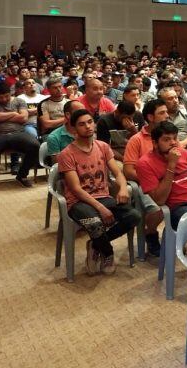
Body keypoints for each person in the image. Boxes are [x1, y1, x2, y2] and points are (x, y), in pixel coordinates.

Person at [58, 109, 141, 275]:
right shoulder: (66, 154)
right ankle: (108, 251)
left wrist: (123, 188)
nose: (88, 127)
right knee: (95, 223)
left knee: (134, 216)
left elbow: (118, 172)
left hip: (103, 196)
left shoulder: (102, 146)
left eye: (90, 122)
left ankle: (95, 245)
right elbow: (75, 189)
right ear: (73, 129)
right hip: (78, 201)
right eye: (82, 124)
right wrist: (101, 208)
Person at [136, 121, 187, 239]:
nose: (173, 143)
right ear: (155, 143)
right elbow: (160, 200)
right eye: (166, 140)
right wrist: (171, 165)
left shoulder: (184, 153)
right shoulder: (145, 163)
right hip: (177, 207)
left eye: (174, 138)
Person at [0, 82, 40, 188]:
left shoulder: (19, 101)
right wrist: (13, 113)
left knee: (35, 146)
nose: (4, 99)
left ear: (10, 93)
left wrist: (1, 116)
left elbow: (23, 118)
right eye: (0, 97)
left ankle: (22, 175)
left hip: (18, 133)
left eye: (6, 96)